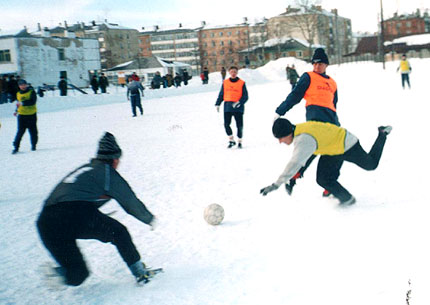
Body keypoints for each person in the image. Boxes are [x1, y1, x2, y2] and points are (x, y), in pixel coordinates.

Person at [36, 132, 157, 286]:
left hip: (46, 222)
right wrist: (150, 219)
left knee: (78, 274)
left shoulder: (85, 170)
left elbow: (70, 198)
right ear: (114, 159)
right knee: (119, 232)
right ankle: (141, 273)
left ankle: (55, 275)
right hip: (72, 214)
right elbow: (129, 201)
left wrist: (93, 212)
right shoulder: (107, 173)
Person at [260, 119, 392, 205]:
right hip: (331, 148)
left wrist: (275, 185)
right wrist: (299, 173)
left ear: (288, 133)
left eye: (281, 138)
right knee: (323, 179)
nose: (280, 141)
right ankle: (347, 199)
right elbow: (307, 156)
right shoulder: (300, 131)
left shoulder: (303, 139)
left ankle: (382, 134)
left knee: (371, 165)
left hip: (346, 144)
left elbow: (295, 162)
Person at [274, 48, 339, 196]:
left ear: (326, 65)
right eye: (314, 63)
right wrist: (280, 111)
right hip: (315, 120)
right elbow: (295, 95)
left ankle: (330, 184)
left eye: (320, 64)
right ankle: (295, 175)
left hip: (332, 122)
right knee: (311, 149)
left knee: (335, 152)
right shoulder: (308, 77)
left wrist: (336, 123)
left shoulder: (333, 83)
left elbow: (334, 104)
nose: (317, 66)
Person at [215, 66, 249, 148]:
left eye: (235, 72)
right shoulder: (225, 82)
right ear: (229, 72)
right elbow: (221, 94)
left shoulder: (241, 83)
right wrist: (218, 103)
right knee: (226, 124)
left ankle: (240, 141)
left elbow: (245, 96)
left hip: (238, 107)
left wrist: (239, 102)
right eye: (231, 72)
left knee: (239, 125)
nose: (233, 73)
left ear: (237, 73)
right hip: (228, 107)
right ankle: (231, 140)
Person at [12, 79, 38, 154]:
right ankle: (16, 147)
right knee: (20, 131)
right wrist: (16, 110)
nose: (22, 86)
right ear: (19, 86)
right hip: (22, 115)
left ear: (26, 85)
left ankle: (33, 145)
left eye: (24, 85)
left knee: (33, 131)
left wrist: (23, 103)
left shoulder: (31, 92)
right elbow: (18, 103)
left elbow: (33, 102)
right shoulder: (18, 93)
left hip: (31, 115)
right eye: (21, 85)